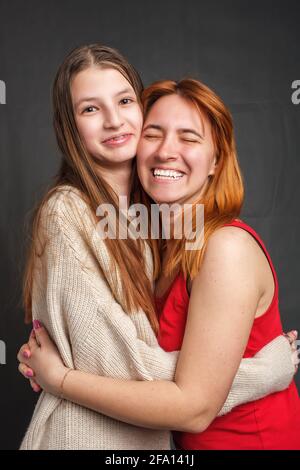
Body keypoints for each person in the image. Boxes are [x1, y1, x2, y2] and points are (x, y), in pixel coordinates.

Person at [18, 45, 299, 450]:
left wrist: (61, 376)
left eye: (125, 101)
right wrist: (263, 369)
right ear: (69, 126)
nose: (115, 120)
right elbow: (129, 371)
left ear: (216, 159)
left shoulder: (185, 240)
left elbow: (184, 394)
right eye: (90, 109)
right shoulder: (72, 212)